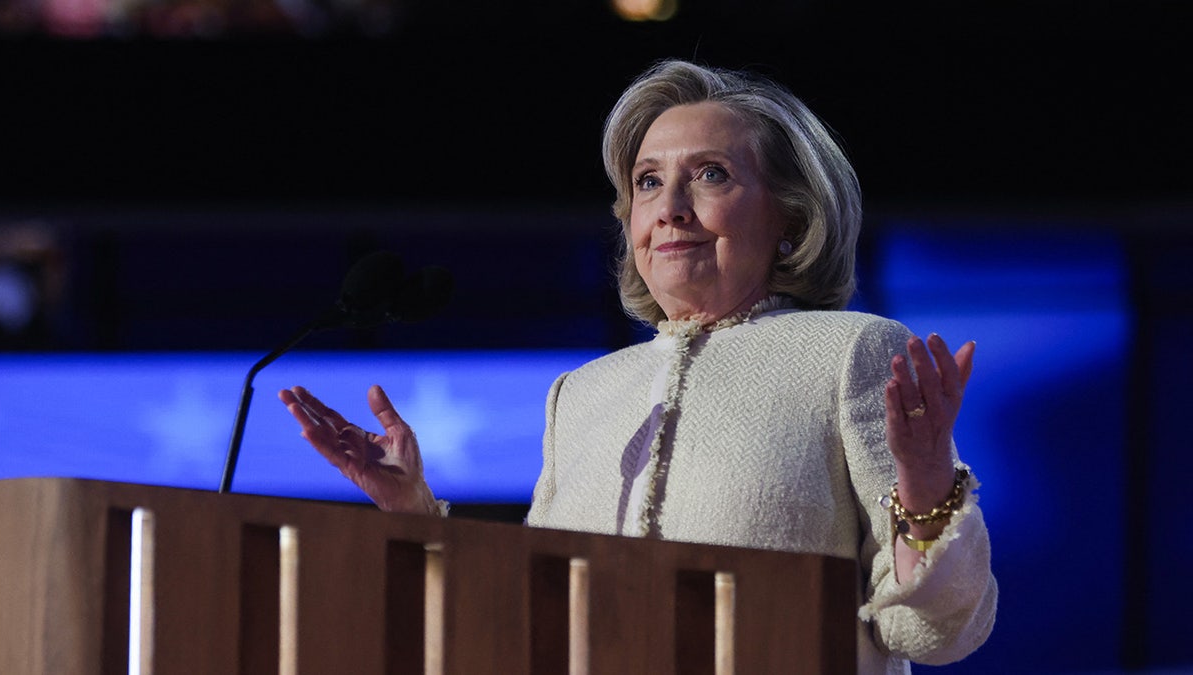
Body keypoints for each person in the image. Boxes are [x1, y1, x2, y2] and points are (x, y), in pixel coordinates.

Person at [279, 58, 997, 673]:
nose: (669, 209)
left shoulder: (850, 352)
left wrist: (928, 485)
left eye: (710, 174)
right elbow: (532, 620)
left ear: (792, 218)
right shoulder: (583, 393)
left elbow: (934, 632)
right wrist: (417, 514)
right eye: (649, 182)